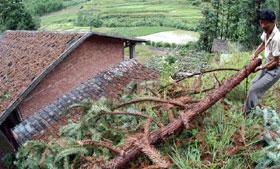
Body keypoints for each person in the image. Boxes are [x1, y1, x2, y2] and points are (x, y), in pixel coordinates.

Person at [244, 9, 280, 113]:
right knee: (253, 83)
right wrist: (254, 54)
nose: (263, 26)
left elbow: (276, 61)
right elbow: (263, 43)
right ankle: (253, 105)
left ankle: (248, 114)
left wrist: (261, 67)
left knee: (253, 90)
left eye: (265, 23)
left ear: (273, 22)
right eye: (261, 23)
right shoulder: (267, 32)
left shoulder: (277, 39)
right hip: (268, 65)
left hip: (275, 70)